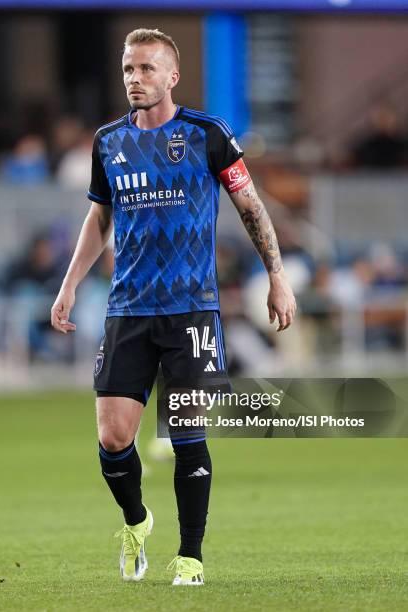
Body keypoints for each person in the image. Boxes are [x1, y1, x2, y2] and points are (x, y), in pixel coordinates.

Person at [51, 28, 296, 586]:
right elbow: (99, 218)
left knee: (186, 434)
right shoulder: (108, 141)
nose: (135, 79)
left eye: (146, 69)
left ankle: (190, 556)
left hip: (191, 309)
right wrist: (68, 286)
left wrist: (277, 277)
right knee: (114, 439)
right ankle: (137, 520)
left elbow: (250, 206)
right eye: (128, 70)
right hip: (127, 309)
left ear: (172, 76)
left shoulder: (208, 135)